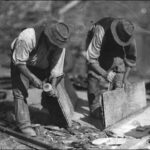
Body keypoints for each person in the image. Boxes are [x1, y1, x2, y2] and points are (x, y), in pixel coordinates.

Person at [10, 21, 70, 136]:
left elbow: (56, 70)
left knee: (55, 88)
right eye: (53, 43)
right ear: (47, 36)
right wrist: (33, 79)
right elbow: (19, 62)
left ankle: (47, 113)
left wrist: (53, 85)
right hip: (23, 63)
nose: (54, 46)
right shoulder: (28, 37)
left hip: (42, 64)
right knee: (20, 92)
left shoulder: (60, 47)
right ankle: (24, 125)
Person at [85, 17, 137, 121]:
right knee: (94, 74)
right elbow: (92, 60)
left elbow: (131, 59)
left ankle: (115, 106)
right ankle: (95, 108)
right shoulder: (100, 30)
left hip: (114, 50)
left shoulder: (128, 35)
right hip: (98, 50)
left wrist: (125, 79)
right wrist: (104, 74)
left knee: (119, 67)